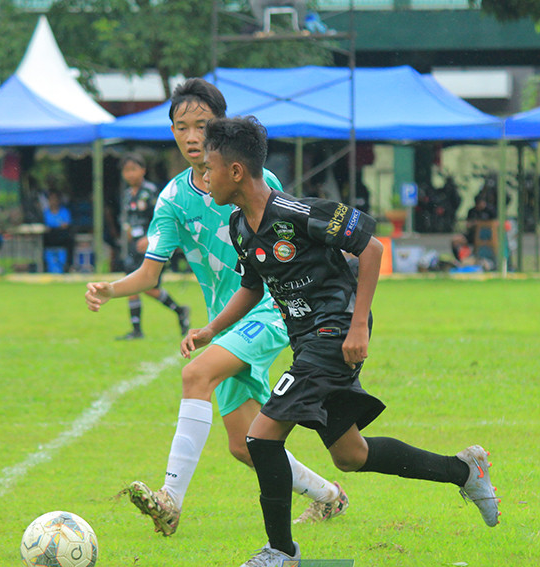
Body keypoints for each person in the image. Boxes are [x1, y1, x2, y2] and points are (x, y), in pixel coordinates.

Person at [185, 116, 500, 567]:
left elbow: (371, 249)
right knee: (351, 455)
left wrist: (358, 327)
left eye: (209, 168)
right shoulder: (239, 226)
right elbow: (253, 286)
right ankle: (463, 470)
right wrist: (212, 330)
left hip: (333, 336)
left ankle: (281, 550)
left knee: (261, 436)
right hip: (307, 341)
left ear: (236, 171)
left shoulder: (299, 213)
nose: (205, 177)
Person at [85, 79, 347, 536]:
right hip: (225, 322)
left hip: (269, 308)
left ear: (221, 129)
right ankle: (329, 496)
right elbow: (150, 274)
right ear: (171, 133)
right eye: (181, 127)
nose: (191, 136)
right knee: (246, 445)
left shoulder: (257, 180)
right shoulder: (171, 199)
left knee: (195, 374)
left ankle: (170, 500)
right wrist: (111, 289)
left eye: (202, 126)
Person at [115, 153, 191, 340]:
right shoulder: (126, 195)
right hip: (134, 246)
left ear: (143, 170)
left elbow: (162, 218)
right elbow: (127, 219)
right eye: (126, 170)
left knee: (148, 286)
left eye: (133, 169)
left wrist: (151, 238)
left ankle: (180, 310)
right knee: (130, 283)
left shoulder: (151, 192)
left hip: (152, 247)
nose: (130, 174)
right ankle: (136, 330)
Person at [42, 189, 71, 273]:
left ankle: (66, 266)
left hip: (61, 237)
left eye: (55, 199)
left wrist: (54, 227)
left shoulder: (64, 211)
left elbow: (65, 225)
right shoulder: (46, 213)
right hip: (49, 238)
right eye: (51, 199)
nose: (53, 201)